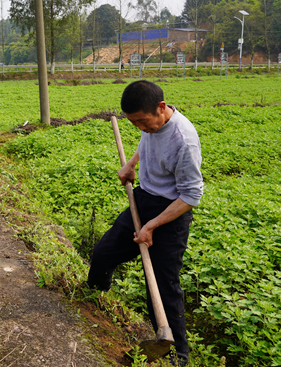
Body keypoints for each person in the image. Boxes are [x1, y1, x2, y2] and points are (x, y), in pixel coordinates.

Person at [87, 80, 203, 366]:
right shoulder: (151, 124)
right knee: (103, 254)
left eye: (142, 121)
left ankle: (177, 355)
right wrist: (132, 164)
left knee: (164, 287)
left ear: (162, 108)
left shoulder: (184, 140)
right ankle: (93, 301)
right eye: (134, 123)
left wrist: (152, 226)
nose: (140, 127)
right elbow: (147, 138)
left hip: (171, 213)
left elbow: (190, 196)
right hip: (143, 200)